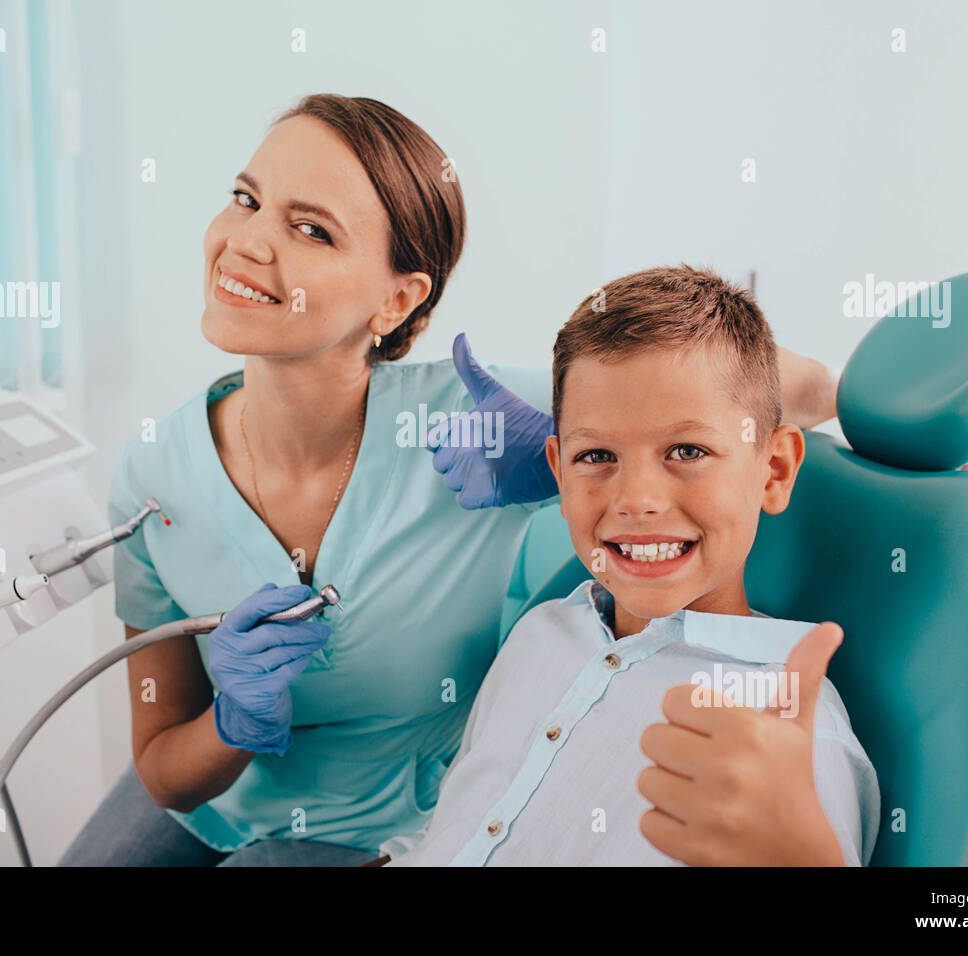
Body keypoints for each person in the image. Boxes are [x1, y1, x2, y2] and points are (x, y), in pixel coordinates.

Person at [59, 95, 841, 866]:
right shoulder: (154, 475)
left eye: (311, 229)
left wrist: (573, 447)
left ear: (398, 299)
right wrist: (233, 721)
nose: (246, 243)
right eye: (245, 199)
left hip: (405, 829)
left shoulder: (481, 417)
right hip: (221, 800)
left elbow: (752, 386)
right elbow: (164, 770)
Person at [376, 265, 879, 865]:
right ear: (558, 473)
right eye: (597, 455)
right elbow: (445, 835)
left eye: (687, 451)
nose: (636, 498)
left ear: (773, 471)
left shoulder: (780, 729)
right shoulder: (541, 634)